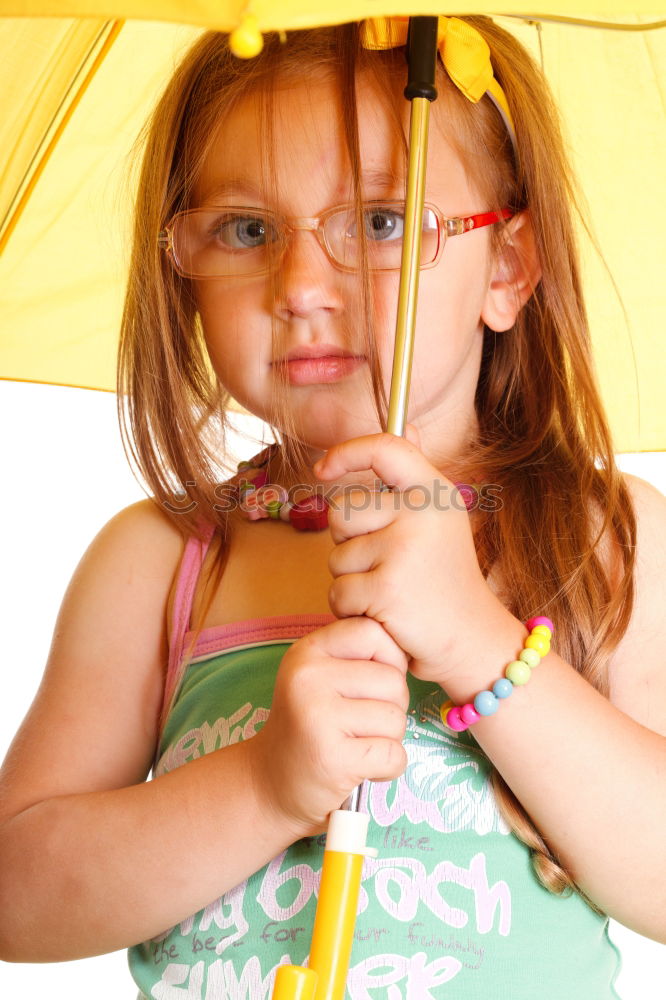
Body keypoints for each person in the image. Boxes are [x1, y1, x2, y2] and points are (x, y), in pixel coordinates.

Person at [0, 15, 665, 999]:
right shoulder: (165, 561)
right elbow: (17, 893)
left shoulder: (602, 537)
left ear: (508, 269)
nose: (302, 286)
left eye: (383, 221)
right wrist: (264, 785)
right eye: (246, 228)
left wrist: (482, 644)